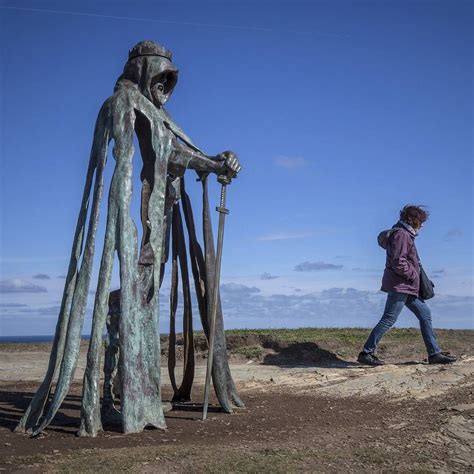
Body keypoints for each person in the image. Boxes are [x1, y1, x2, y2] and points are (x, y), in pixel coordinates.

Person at [357, 205, 457, 366]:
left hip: (407, 286)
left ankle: (434, 354)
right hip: (401, 285)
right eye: (421, 221)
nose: (422, 225)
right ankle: (366, 353)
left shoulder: (404, 234)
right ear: (413, 220)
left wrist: (417, 278)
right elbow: (399, 262)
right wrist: (413, 275)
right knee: (388, 319)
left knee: (425, 315)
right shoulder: (402, 235)